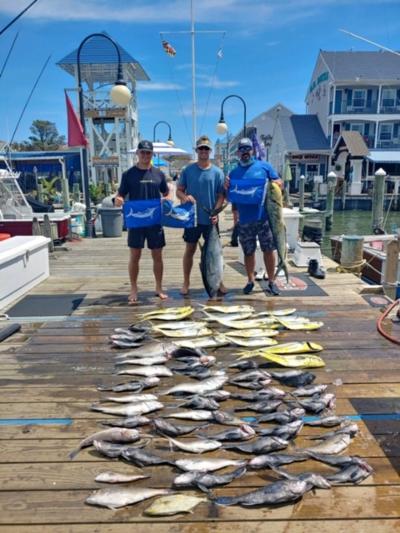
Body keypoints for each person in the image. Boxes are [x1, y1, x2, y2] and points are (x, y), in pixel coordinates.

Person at [114, 140, 170, 304]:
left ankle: (159, 287)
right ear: (137, 153)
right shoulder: (128, 174)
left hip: (155, 222)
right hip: (136, 223)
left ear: (152, 154)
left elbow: (167, 193)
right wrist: (117, 199)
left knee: (157, 256)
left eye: (148, 153)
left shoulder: (159, 174)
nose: (145, 155)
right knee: (135, 256)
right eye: (142, 152)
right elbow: (120, 195)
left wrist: (164, 200)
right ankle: (133, 288)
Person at [226, 137, 282, 296]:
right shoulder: (234, 173)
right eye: (242, 150)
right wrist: (226, 187)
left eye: (248, 149)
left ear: (253, 150)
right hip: (244, 220)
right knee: (248, 252)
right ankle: (250, 280)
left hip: (264, 218)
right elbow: (230, 195)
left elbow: (279, 181)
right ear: (238, 152)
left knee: (269, 250)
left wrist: (277, 183)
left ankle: (271, 281)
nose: (245, 152)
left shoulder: (264, 166)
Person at [176, 135, 226, 296]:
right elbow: (179, 191)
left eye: (206, 148)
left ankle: (220, 282)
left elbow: (221, 196)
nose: (203, 151)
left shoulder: (218, 172)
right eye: (201, 148)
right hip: (192, 218)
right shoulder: (188, 170)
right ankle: (186, 282)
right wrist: (184, 198)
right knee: (189, 250)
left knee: (216, 253)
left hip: (211, 219)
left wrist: (216, 212)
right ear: (197, 150)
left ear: (210, 151)